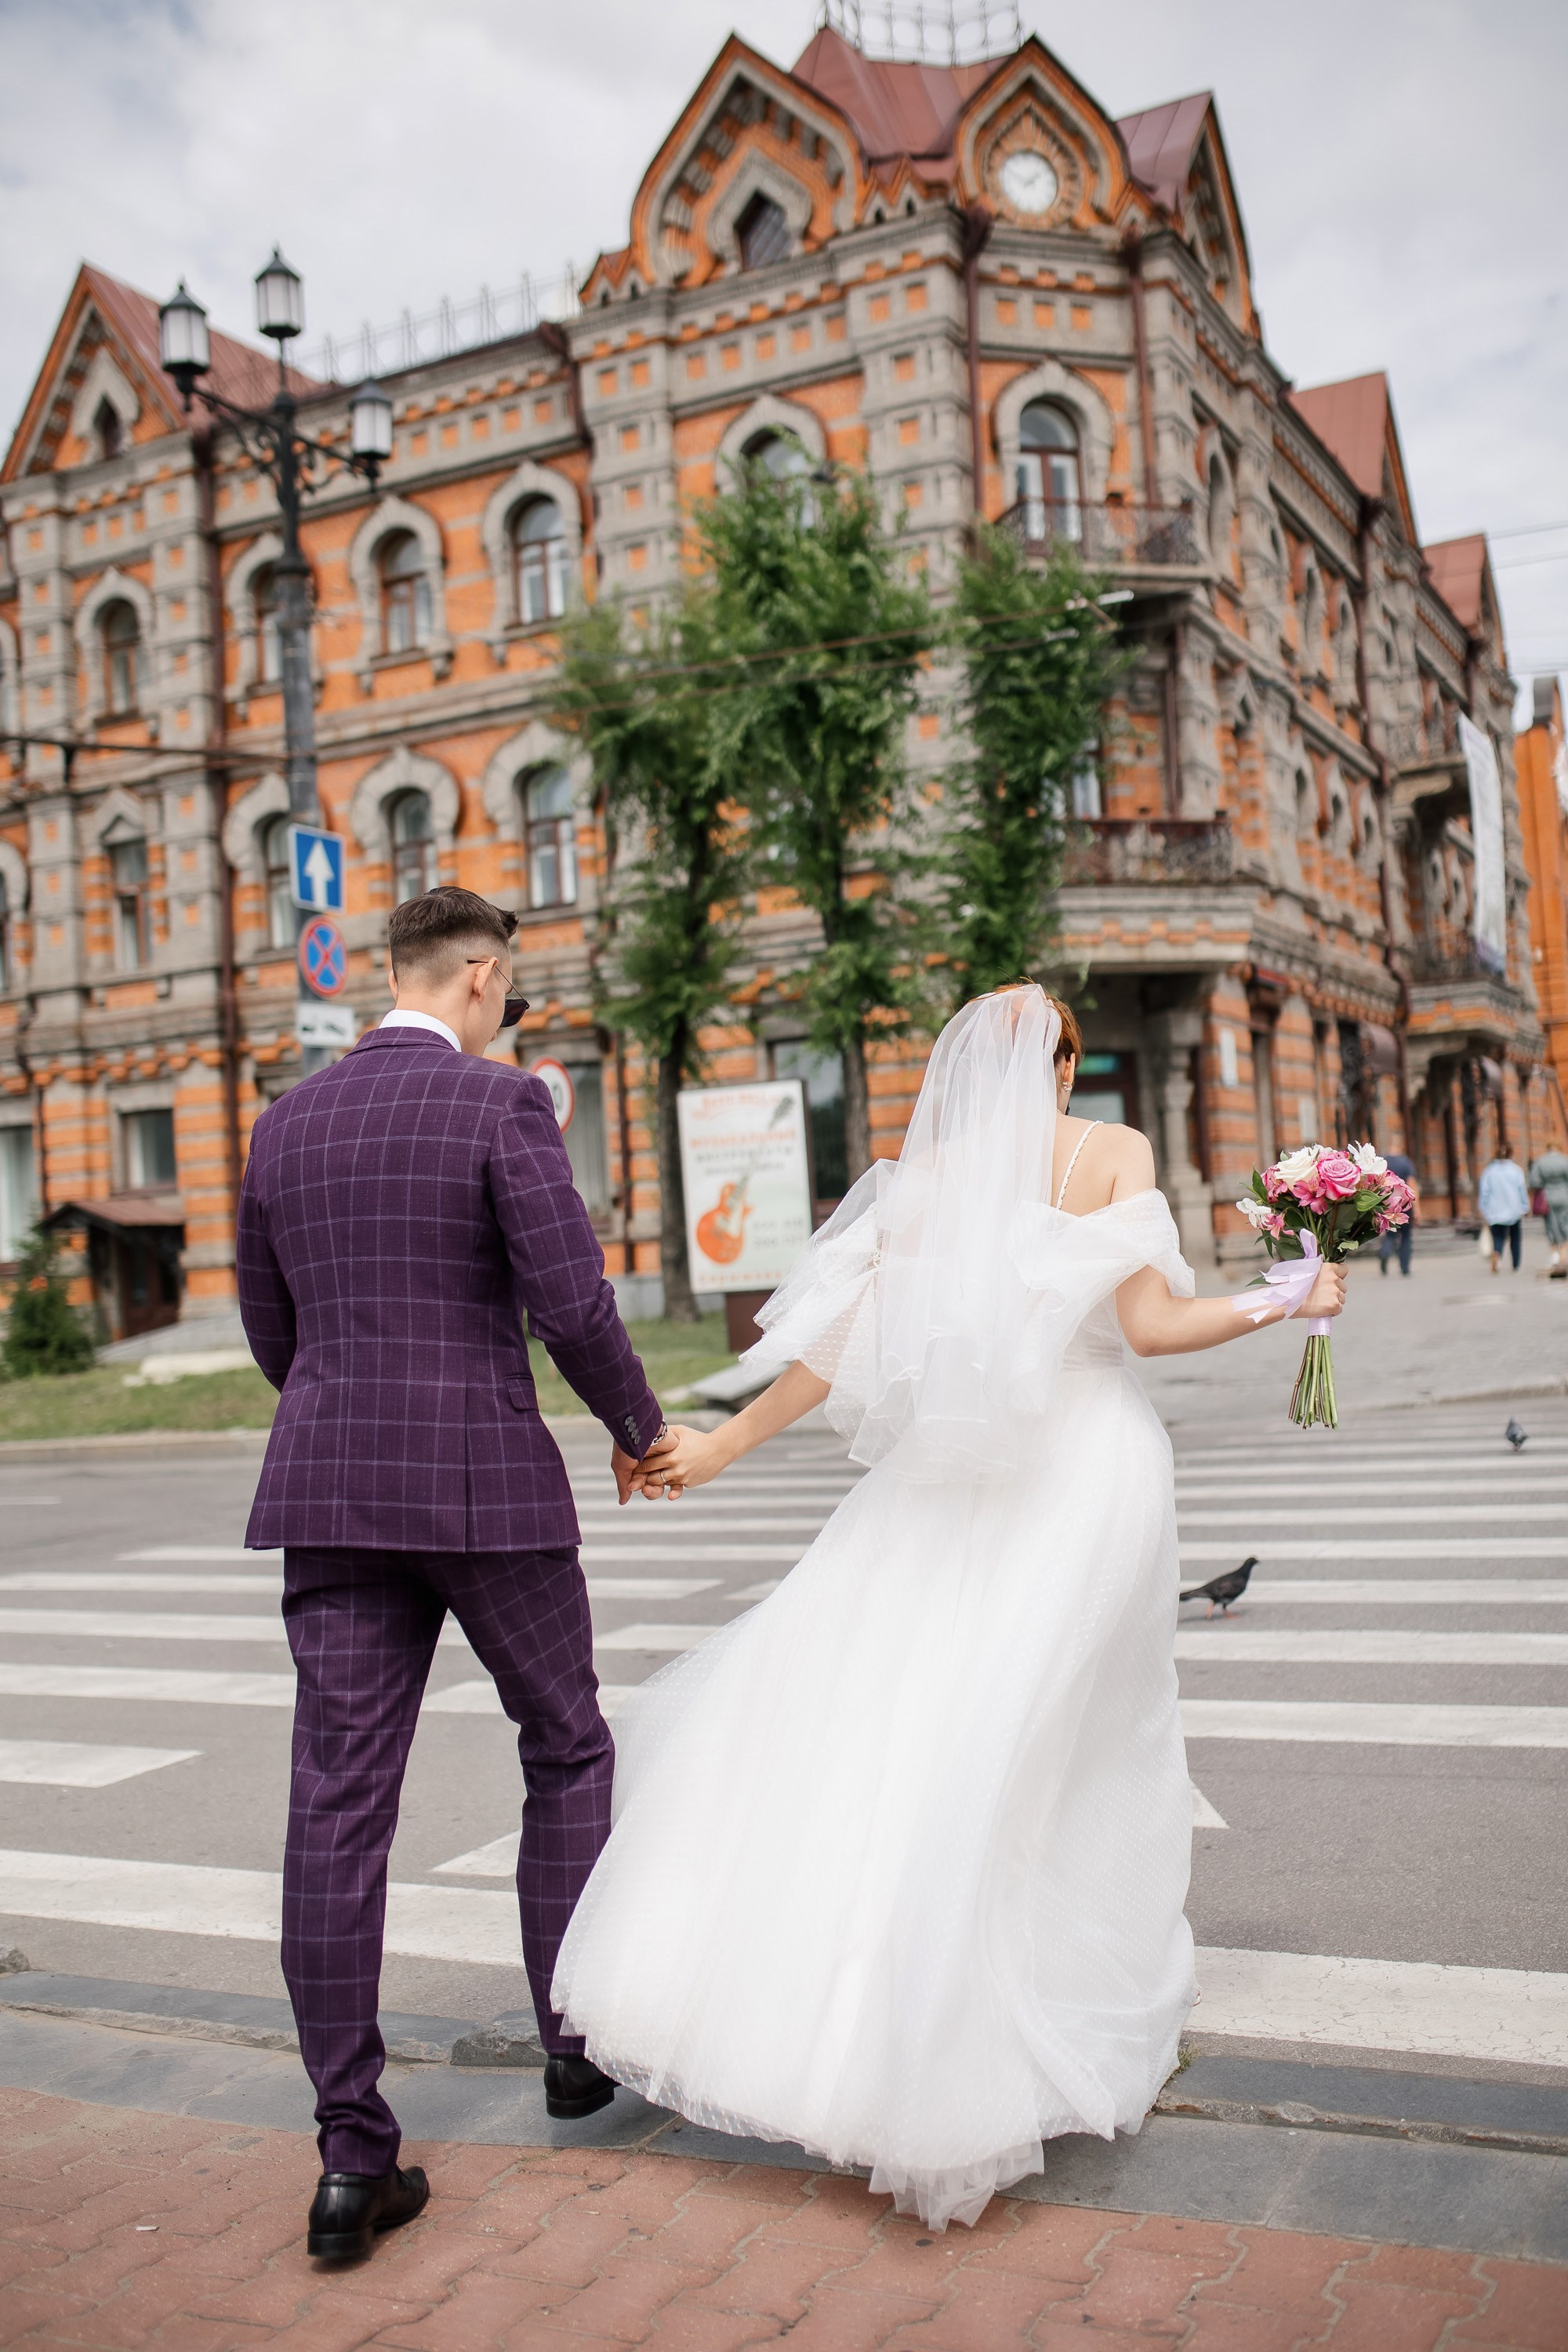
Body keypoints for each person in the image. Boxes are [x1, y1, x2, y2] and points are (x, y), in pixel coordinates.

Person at [554, 984, 1346, 2232]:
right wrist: (1289, 1295)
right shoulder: (1110, 1151)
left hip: (944, 1489)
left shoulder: (923, 1184)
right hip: (1085, 1474)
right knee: (1079, 1741)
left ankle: (855, 2028)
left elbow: (842, 1345)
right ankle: (1021, 2010)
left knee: (926, 1728)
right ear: (1067, 1064)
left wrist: (720, 1445)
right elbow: (1150, 1328)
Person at [237, 887, 673, 2263]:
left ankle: (349, 2158)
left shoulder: (283, 1123)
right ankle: (571, 2048)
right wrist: (639, 1429)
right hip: (486, 1489)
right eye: (511, 992)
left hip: (331, 1492)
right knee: (567, 1743)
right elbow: (571, 1300)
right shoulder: (502, 1104)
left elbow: (270, 1328)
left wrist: (345, 1410)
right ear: (481, 977)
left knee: (336, 1804)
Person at [1477, 1144, 1530, 1273]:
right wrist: (1525, 1207)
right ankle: (1516, 1264)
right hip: (1514, 1210)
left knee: (1498, 1237)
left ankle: (1497, 1254)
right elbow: (1522, 1191)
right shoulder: (1516, 1171)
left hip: (1495, 1211)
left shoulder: (1489, 1171)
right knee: (1515, 1238)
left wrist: (1483, 1209)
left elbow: (1484, 1192)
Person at [1527, 1145, 1568, 1276]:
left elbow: (1534, 1181)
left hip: (1548, 1197)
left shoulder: (1541, 1161)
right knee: (1564, 1224)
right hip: (1564, 1196)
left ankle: (1555, 1254)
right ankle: (1564, 1256)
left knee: (1551, 1226)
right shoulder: (1565, 1160)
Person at [1378, 1151, 1418, 1276]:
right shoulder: (1406, 1162)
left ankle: (1385, 1252)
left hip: (1389, 1204)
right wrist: (1417, 1209)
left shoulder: (1384, 1162)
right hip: (1405, 1205)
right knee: (1406, 1237)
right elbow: (1412, 1184)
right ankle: (1405, 1267)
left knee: (1390, 1235)